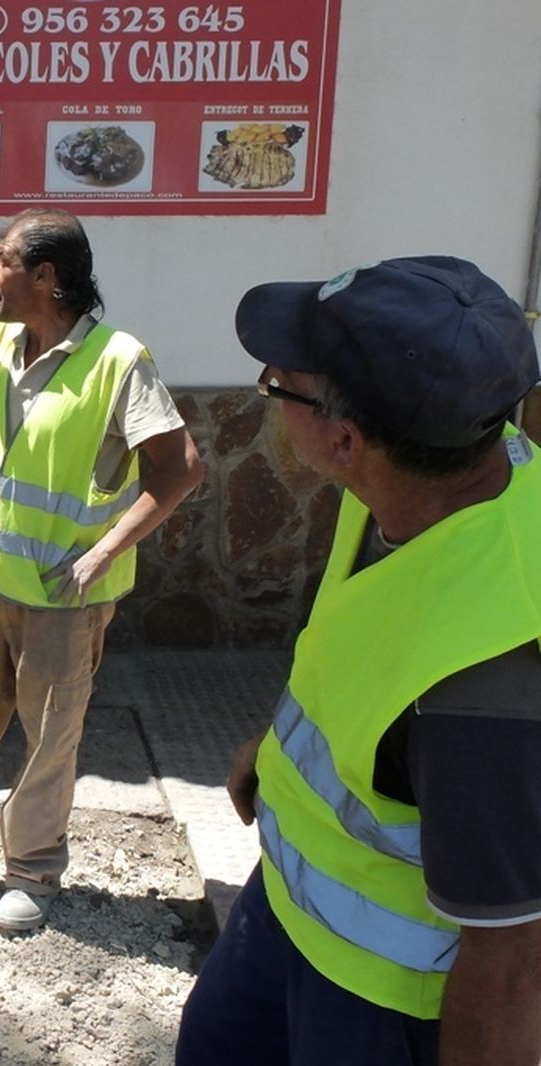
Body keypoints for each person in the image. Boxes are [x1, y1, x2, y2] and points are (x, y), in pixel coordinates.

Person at [176, 257, 541, 1065]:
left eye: (281, 384)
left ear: (344, 439)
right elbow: (356, 656)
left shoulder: (483, 687)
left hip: (379, 1003)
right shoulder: (440, 468)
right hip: (288, 913)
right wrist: (271, 758)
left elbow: (512, 960)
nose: (268, 382)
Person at [0, 207, 204, 931]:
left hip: (63, 593)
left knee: (49, 740)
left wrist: (105, 551)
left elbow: (179, 469)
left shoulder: (118, 360)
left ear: (46, 277)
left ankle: (33, 873)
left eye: (2, 262)